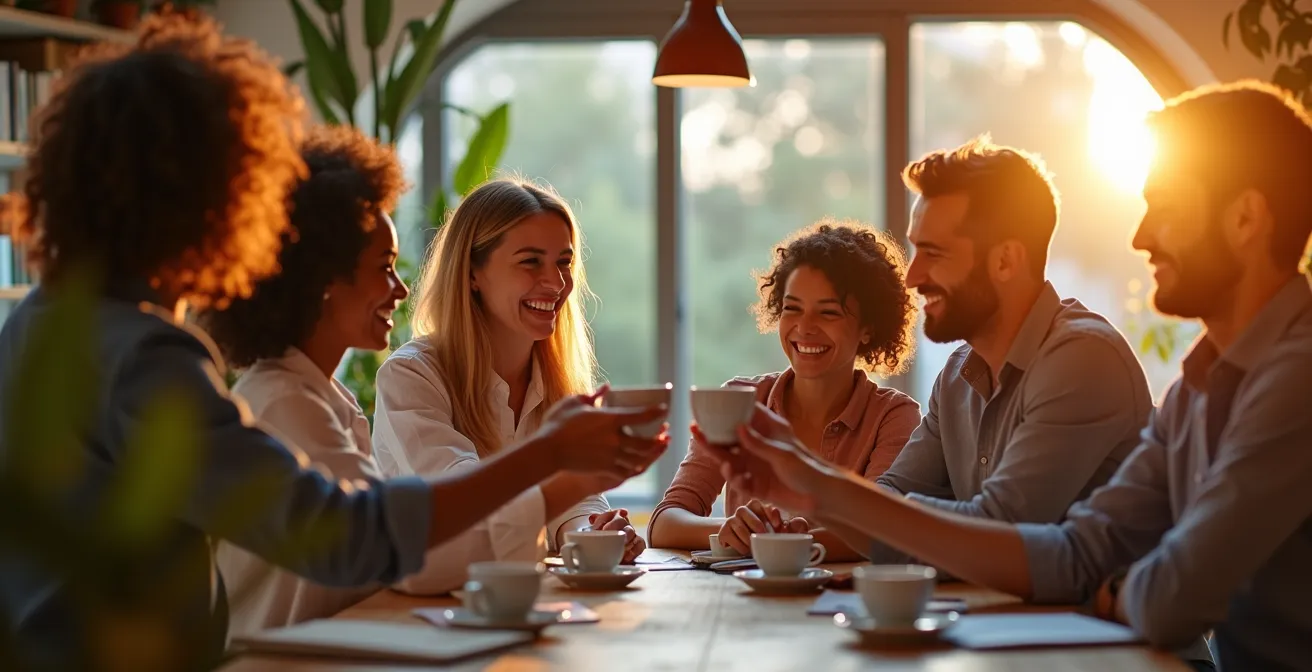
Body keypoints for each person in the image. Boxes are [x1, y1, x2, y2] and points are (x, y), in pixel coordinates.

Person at [0, 14, 667, 670]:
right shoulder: (146, 354)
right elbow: (339, 535)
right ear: (201, 199)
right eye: (249, 185)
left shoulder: (40, 322)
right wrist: (547, 459)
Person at [706, 80, 1312, 672]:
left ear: (1245, 219)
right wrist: (814, 491)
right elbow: (1077, 555)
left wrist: (1119, 592)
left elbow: (1166, 599)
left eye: (1169, 210)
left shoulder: (1288, 378)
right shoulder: (1197, 387)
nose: (1141, 236)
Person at [814, 136, 1153, 566]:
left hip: (1103, 632)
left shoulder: (1082, 359)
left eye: (933, 253)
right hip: (1002, 624)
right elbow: (894, 495)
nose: (912, 277)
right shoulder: (956, 377)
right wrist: (792, 525)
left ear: (1006, 261)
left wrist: (822, 491)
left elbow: (1001, 526)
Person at [372, 177, 647, 594]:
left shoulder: (559, 381)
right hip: (420, 617)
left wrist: (593, 532)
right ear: (472, 275)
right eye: (530, 262)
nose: (555, 283)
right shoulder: (411, 376)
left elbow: (572, 501)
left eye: (563, 262)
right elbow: (465, 501)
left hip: (514, 604)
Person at [197, 125, 409, 635]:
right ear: (324, 278)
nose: (400, 290)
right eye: (384, 267)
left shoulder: (318, 392)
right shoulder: (284, 404)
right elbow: (390, 546)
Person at [648, 219, 921, 560]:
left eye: (828, 312)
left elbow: (883, 531)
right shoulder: (738, 401)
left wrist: (779, 541)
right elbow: (664, 523)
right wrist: (728, 530)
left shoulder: (893, 416)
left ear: (868, 328)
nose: (804, 328)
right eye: (792, 308)